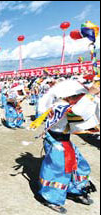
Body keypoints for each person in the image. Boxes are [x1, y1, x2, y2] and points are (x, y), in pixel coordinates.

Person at [33, 79, 99, 214]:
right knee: (58, 169)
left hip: (64, 140)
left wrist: (92, 97)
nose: (80, 99)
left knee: (78, 165)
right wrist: (90, 95)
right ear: (68, 96)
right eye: (78, 96)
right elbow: (79, 112)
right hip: (55, 142)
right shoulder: (60, 106)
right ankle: (50, 198)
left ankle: (75, 190)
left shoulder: (63, 104)